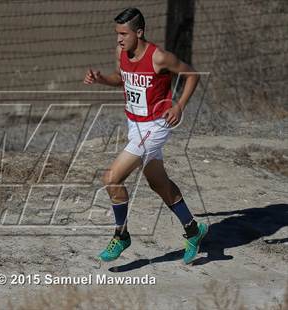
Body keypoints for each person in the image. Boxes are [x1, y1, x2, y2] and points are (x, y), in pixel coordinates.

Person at [83, 7, 208, 264]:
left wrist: (178, 105)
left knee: (112, 177)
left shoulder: (159, 57)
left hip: (155, 126)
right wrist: (100, 79)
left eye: (123, 34)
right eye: (116, 33)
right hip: (134, 125)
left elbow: (191, 74)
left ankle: (121, 235)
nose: (119, 39)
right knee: (158, 182)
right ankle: (193, 230)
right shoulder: (121, 52)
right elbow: (121, 78)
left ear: (139, 32)